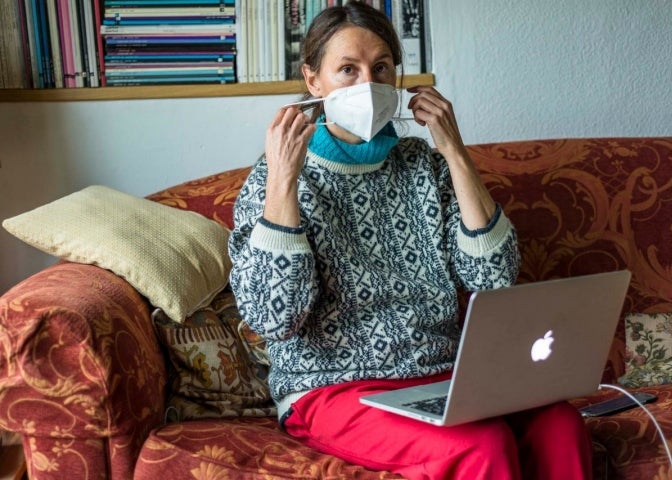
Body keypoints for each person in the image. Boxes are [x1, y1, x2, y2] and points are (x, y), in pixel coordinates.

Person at [228, 2, 592, 478]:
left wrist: (454, 151)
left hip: (441, 376)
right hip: (332, 387)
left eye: (382, 68)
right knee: (479, 445)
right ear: (313, 81)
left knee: (560, 423)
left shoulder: (422, 164)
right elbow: (273, 318)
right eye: (347, 70)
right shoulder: (275, 178)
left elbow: (494, 276)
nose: (369, 85)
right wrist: (282, 182)